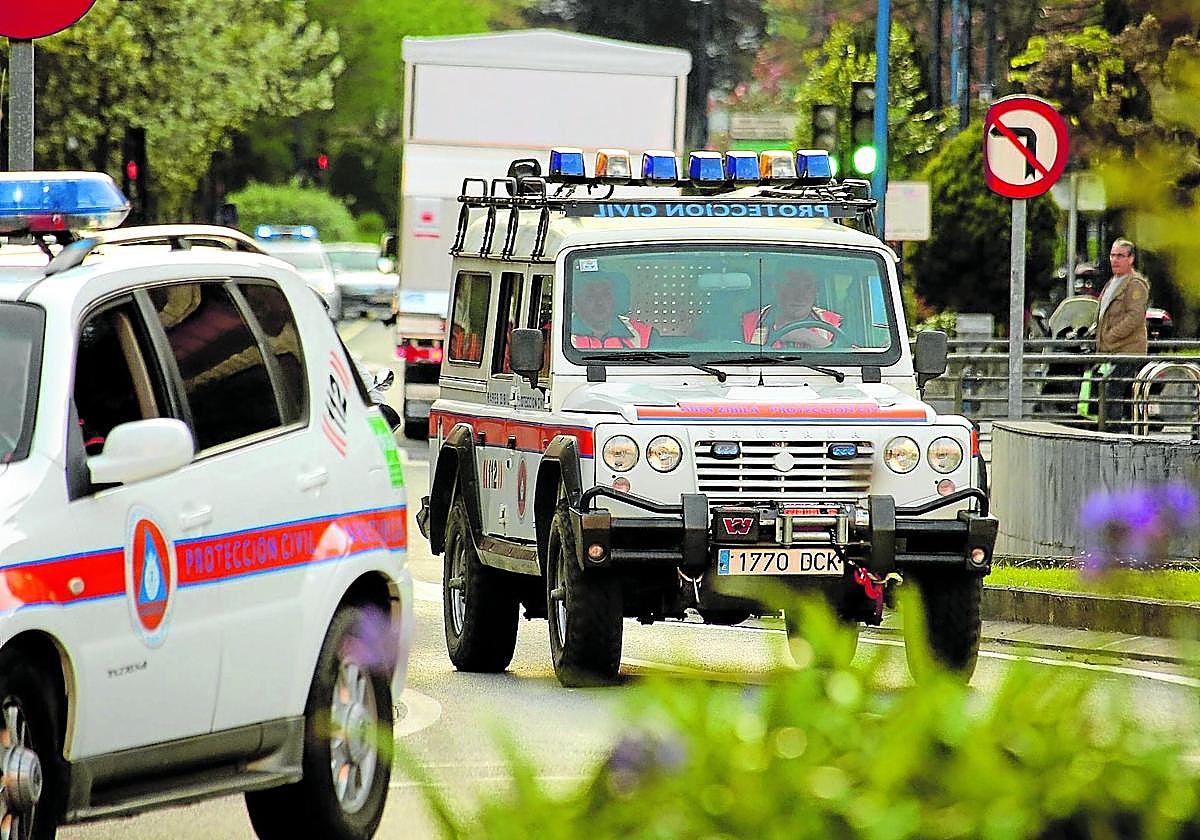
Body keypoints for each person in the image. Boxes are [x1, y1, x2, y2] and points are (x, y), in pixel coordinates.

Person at [1095, 238, 1149, 426]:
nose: (1115, 260)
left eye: (1120, 256)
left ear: (1131, 258)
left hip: (1128, 350)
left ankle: (1114, 432)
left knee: (1113, 389)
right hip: (1111, 351)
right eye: (1112, 255)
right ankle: (1109, 427)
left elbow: (1134, 317)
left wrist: (1110, 336)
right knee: (1107, 390)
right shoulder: (1113, 282)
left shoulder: (1134, 284)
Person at [742, 269, 842, 349]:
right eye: (791, 286)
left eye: (808, 287)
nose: (800, 296)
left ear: (816, 291)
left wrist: (810, 338)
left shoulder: (836, 323)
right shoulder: (747, 323)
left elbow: (853, 362)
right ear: (775, 287)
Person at [570, 271, 654, 349]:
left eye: (606, 294)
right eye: (590, 295)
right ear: (575, 302)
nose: (599, 302)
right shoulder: (562, 332)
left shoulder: (643, 333)